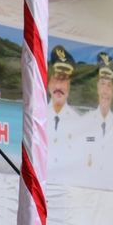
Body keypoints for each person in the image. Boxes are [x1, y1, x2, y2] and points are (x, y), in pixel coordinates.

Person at [82, 52, 113, 189]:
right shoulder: (87, 121)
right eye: (102, 84)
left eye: (109, 86)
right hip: (88, 187)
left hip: (109, 190)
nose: (105, 91)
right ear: (97, 88)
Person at [46, 45, 84, 184]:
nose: (59, 87)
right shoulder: (37, 118)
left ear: (69, 85)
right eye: (56, 78)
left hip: (67, 192)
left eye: (64, 80)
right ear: (49, 81)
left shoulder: (78, 122)